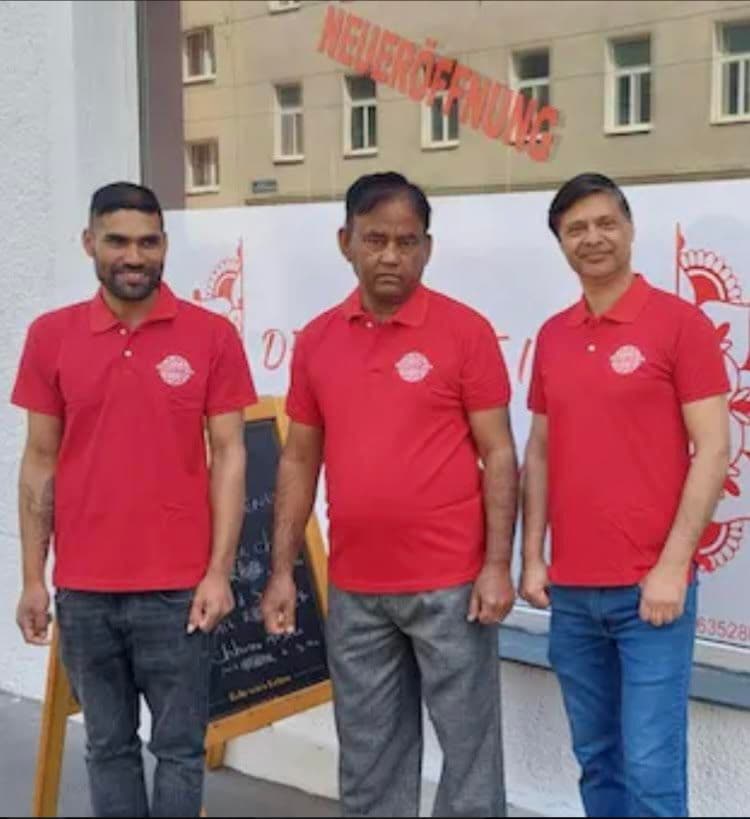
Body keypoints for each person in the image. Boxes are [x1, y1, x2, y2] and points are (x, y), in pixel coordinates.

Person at [261, 172, 517, 818]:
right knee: (369, 758)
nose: (391, 256)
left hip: (452, 585)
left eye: (407, 241)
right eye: (375, 239)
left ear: (427, 247)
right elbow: (299, 457)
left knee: (470, 758)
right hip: (357, 589)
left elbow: (500, 453)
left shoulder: (466, 331)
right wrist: (281, 571)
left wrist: (494, 565)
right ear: (345, 241)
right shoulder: (318, 340)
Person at [12, 182, 257, 818]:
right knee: (107, 747)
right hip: (86, 591)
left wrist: (218, 573)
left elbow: (231, 455)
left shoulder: (209, 335)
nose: (134, 255)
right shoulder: (51, 336)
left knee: (178, 750)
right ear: (90, 243)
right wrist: (33, 579)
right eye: (117, 240)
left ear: (165, 247)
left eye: (148, 241)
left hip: (178, 591)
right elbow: (39, 461)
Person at [520, 172, 730, 818]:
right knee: (600, 759)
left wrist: (671, 566)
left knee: (650, 768)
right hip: (573, 592)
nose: (593, 238)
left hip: (651, 594)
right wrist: (532, 558)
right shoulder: (555, 334)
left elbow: (714, 449)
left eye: (605, 222)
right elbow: (542, 450)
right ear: (560, 242)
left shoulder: (679, 324)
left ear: (631, 228)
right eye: (576, 228)